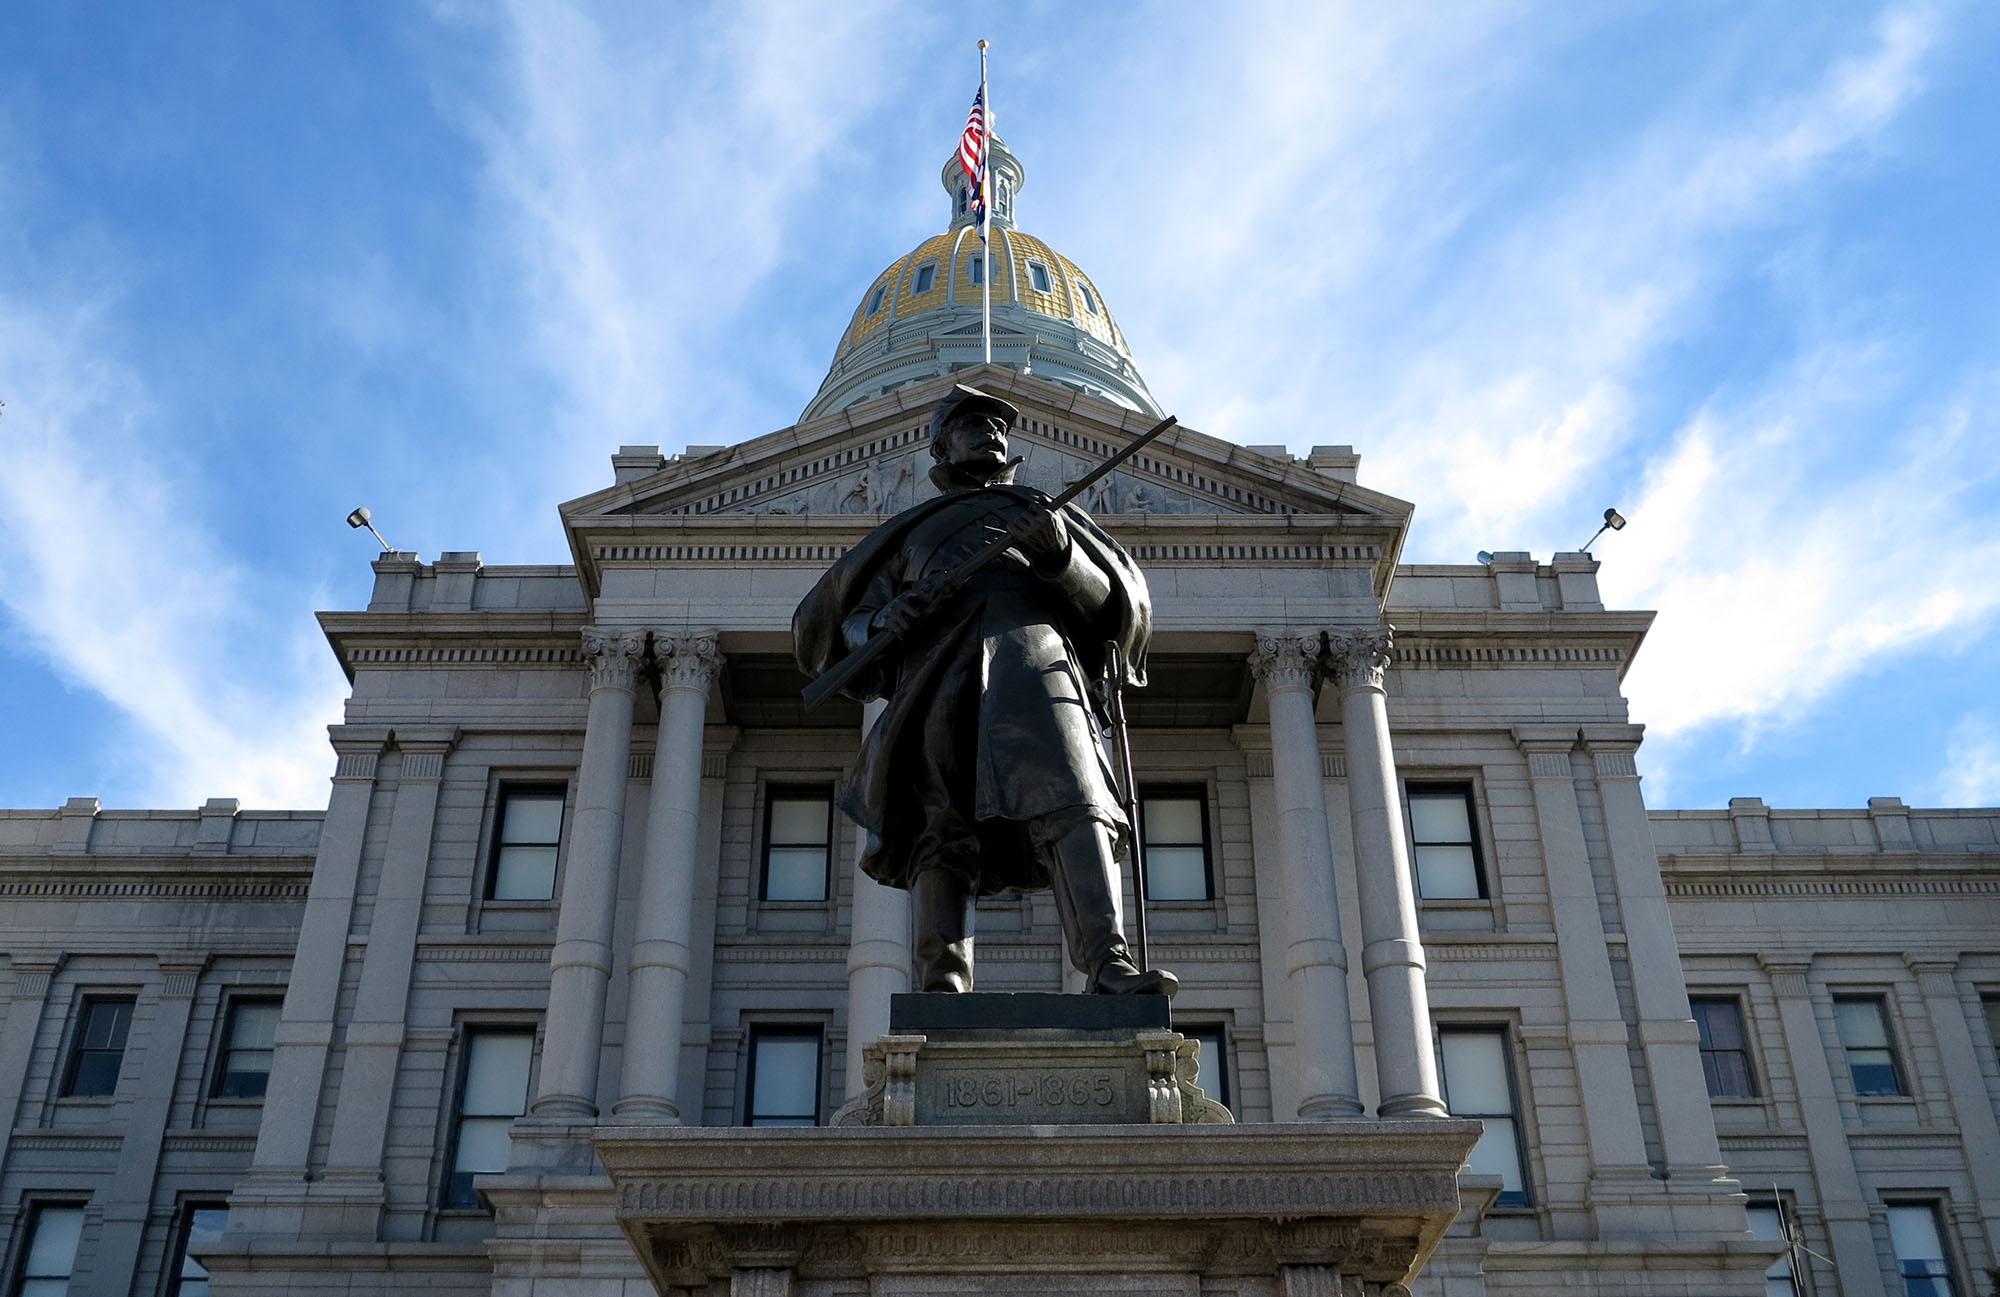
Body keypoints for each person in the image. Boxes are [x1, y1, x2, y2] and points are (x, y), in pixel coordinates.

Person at [794, 384, 1176, 996]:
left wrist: (1061, 559)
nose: (990, 434)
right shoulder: (911, 533)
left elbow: (1116, 612)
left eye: (998, 426)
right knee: (939, 829)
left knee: (1079, 804)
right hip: (938, 681)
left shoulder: (1049, 516)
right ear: (941, 446)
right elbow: (848, 622)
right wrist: (886, 621)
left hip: (1037, 672)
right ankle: (942, 982)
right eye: (973, 424)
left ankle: (1107, 964)